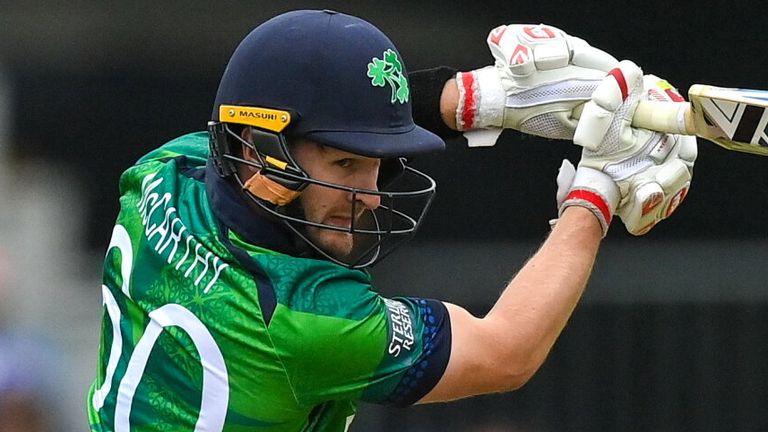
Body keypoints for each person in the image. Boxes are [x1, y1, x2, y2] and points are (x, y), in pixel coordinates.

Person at [86, 9, 696, 431]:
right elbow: (507, 351)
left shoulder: (168, 169)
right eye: (346, 163)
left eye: (375, 163)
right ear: (256, 151)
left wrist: (481, 98)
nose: (370, 195)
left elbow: (298, 114)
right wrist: (597, 191)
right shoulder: (305, 320)